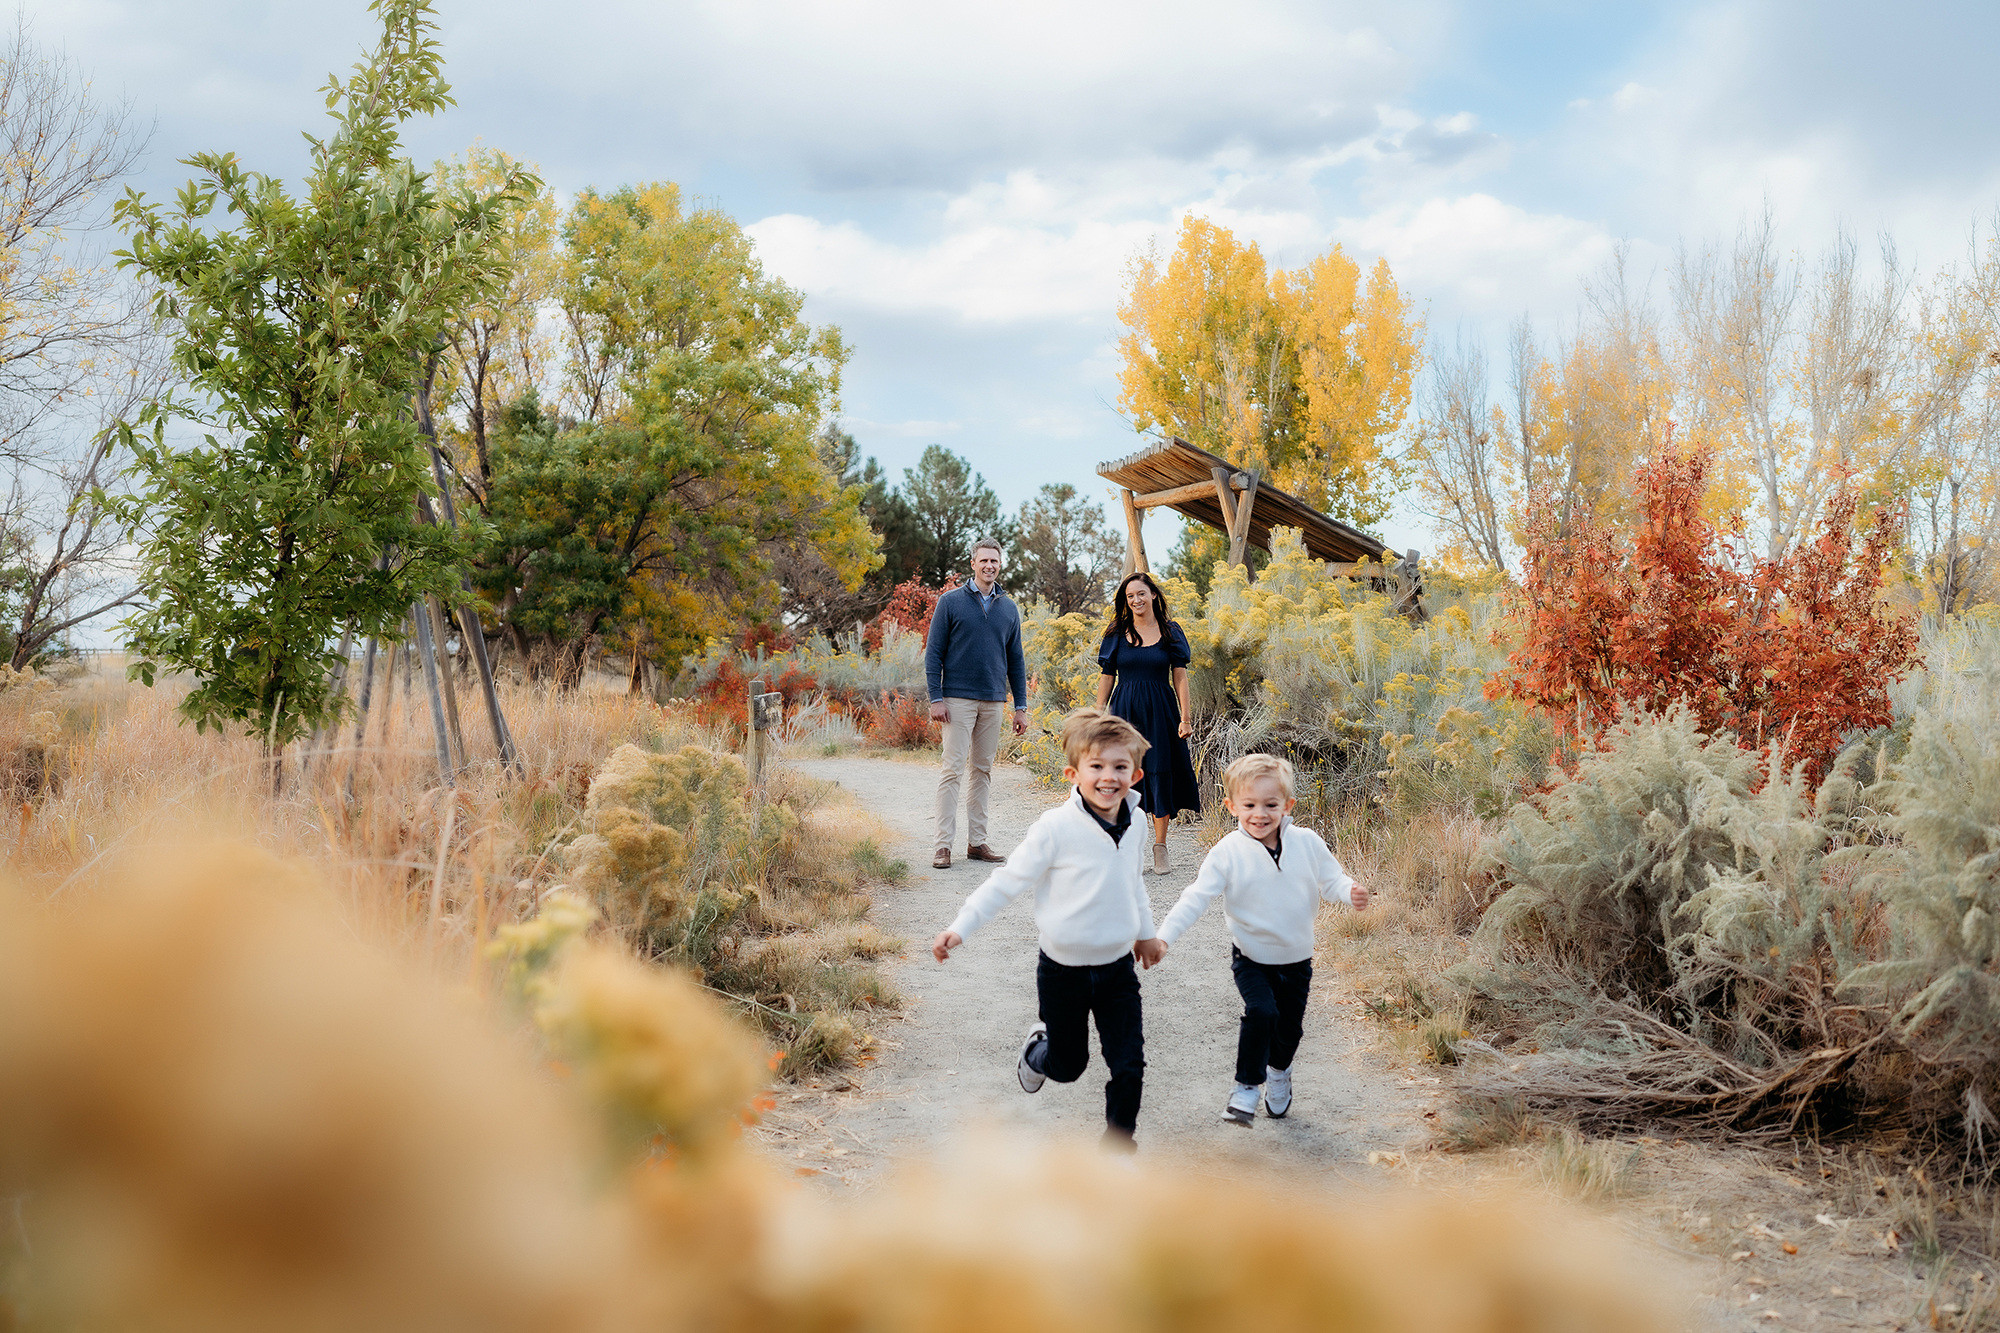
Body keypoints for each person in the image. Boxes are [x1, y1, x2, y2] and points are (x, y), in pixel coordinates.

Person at [930, 708, 1165, 1152]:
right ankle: (1039, 1049)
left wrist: (1146, 933)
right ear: (1073, 773)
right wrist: (960, 928)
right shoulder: (1055, 829)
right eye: (1096, 766)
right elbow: (1007, 882)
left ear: (1134, 774)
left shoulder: (1135, 824)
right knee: (1068, 1065)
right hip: (1063, 972)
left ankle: (1118, 1148)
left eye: (1119, 767)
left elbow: (1132, 883)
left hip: (1117, 971)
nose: (1109, 777)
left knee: (1129, 1064)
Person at [1152, 753, 1370, 1126]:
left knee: (1289, 1030)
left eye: (1271, 805)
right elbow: (1196, 898)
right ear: (1231, 805)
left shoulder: (1307, 843)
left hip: (1297, 959)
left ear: (1288, 805)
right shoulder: (1227, 853)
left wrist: (1349, 891)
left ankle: (1279, 1072)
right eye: (1249, 805)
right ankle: (1246, 1089)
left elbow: (1331, 880)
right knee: (1262, 1013)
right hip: (1251, 958)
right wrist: (1163, 938)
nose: (1260, 814)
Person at [925, 538, 1029, 871]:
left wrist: (1021, 706)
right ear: (973, 563)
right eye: (983, 561)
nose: (989, 566)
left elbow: (1016, 661)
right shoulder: (950, 602)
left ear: (1000, 565)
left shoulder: (1009, 608)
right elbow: (934, 654)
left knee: (982, 771)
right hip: (956, 699)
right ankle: (943, 846)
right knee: (952, 770)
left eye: (994, 562)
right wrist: (936, 697)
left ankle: (977, 842)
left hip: (994, 700)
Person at [1094, 571, 1201, 876]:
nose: (1136, 600)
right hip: (1124, 712)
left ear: (1153, 594)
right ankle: (1129, 846)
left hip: (1161, 711)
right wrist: (1097, 715)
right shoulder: (1116, 632)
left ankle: (1160, 846)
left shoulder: (1170, 631)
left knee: (1159, 772)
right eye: (1130, 596)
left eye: (1141, 594)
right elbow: (1107, 676)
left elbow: (1180, 677)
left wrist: (1185, 717)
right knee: (1123, 777)